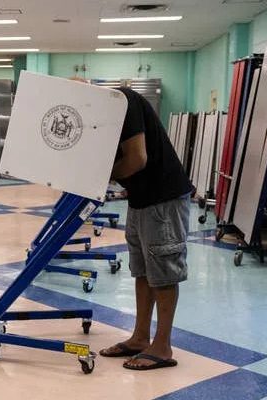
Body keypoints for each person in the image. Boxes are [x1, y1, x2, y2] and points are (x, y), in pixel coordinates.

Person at [99, 85, 193, 371]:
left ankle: (162, 346)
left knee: (163, 272)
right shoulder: (98, 116)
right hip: (140, 198)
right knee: (143, 271)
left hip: (163, 197)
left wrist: (100, 176)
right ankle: (141, 337)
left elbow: (137, 158)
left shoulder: (122, 101)